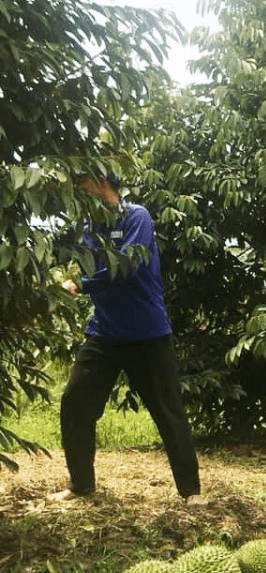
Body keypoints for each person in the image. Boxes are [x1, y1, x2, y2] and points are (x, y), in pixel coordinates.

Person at [50, 173, 205, 506]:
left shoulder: (136, 217)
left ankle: (191, 492)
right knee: (75, 403)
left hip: (148, 335)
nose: (78, 190)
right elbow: (56, 249)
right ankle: (81, 485)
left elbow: (127, 265)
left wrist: (80, 284)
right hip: (104, 333)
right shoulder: (87, 227)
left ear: (102, 182)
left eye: (82, 183)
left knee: (169, 412)